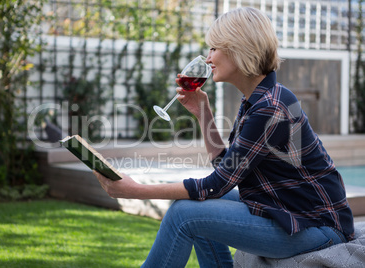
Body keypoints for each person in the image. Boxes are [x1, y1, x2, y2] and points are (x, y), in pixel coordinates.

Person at [94, 7, 355, 268]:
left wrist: (135, 191)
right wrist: (202, 112)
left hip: (317, 227)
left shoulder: (271, 107)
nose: (208, 59)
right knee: (190, 206)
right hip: (285, 211)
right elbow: (226, 169)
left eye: (214, 49)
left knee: (184, 214)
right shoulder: (258, 99)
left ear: (239, 49)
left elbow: (216, 184)